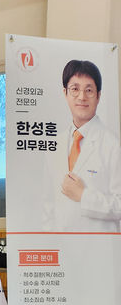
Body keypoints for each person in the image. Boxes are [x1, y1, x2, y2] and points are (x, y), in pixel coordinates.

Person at [41, 59, 121, 231]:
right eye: (75, 89)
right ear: (65, 93)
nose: (82, 97)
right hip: (61, 249)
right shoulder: (54, 144)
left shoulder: (113, 145)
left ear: (98, 95)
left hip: (99, 249)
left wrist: (84, 196)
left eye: (89, 90)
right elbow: (47, 203)